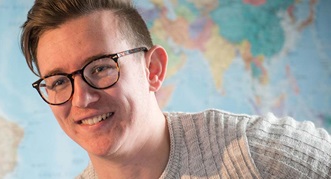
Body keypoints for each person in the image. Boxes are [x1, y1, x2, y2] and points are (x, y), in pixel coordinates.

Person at [19, 0, 331, 178]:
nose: (82, 98)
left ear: (152, 70)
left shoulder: (257, 153)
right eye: (59, 82)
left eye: (100, 68)